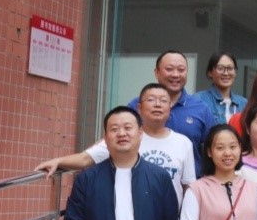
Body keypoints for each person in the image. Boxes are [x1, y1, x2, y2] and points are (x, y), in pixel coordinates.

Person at [38, 83, 198, 205]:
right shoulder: (125, 138)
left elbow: (188, 187)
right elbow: (85, 158)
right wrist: (58, 162)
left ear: (170, 108)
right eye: (151, 100)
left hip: (167, 219)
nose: (157, 104)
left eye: (163, 101)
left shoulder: (183, 143)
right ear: (139, 108)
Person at [131, 50, 217, 173]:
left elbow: (214, 149)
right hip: (140, 180)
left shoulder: (201, 109)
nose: (175, 74)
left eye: (181, 70)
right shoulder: (137, 106)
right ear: (156, 72)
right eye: (169, 69)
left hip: (188, 182)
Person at [197, 52, 246, 127]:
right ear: (210, 72)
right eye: (220, 68)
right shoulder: (199, 99)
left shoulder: (244, 103)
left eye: (230, 68)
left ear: (235, 72)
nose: (226, 73)